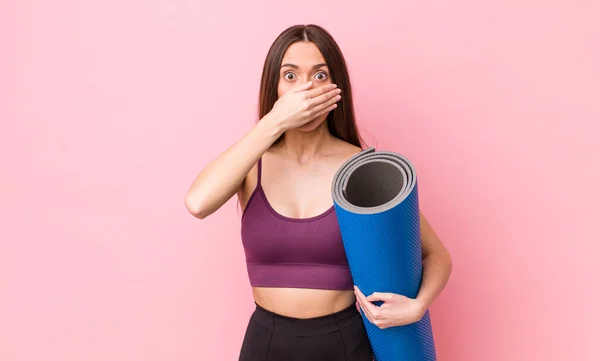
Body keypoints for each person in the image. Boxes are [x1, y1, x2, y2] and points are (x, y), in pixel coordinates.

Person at [185, 24, 452, 361]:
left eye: (320, 75)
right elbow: (197, 203)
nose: (307, 88)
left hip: (342, 344)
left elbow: (437, 255)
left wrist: (417, 307)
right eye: (291, 76)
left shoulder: (357, 166)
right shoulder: (251, 164)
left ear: (336, 86)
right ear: (275, 87)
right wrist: (274, 122)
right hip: (265, 344)